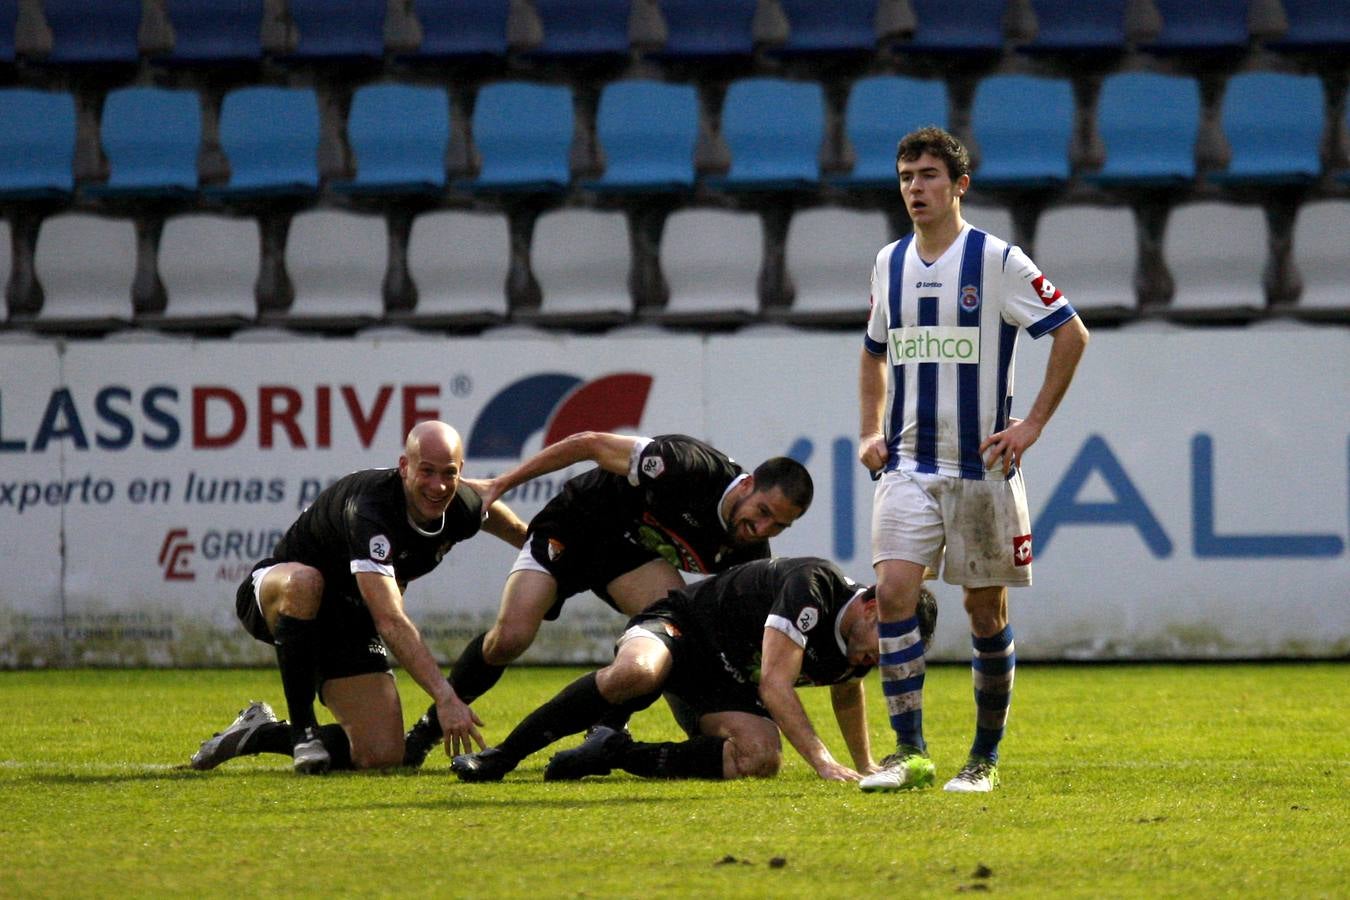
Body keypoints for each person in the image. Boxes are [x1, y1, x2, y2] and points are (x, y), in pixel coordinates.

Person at [856, 126, 1090, 794]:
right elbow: (874, 353)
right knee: (894, 591)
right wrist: (870, 428)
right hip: (907, 466)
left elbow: (1071, 333)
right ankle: (910, 753)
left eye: (928, 175)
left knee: (985, 615)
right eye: (905, 177)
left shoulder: (997, 261)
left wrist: (1033, 423)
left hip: (982, 470)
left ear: (959, 185)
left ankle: (983, 759)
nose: (915, 189)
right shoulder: (888, 263)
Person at [402, 431, 815, 766]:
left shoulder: (749, 553)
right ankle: (425, 731)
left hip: (627, 558)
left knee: (680, 629)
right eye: (761, 511)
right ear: (746, 485)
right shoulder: (686, 466)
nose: (761, 528)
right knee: (509, 639)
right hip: (574, 526)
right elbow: (587, 444)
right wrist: (501, 484)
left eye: (778, 525)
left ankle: (604, 733)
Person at [188, 421, 528, 774]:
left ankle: (259, 733)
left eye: (449, 474)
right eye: (426, 471)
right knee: (307, 581)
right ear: (404, 467)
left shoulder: (460, 504)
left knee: (381, 755)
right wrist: (444, 697)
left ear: (461, 474)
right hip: (278, 596)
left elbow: (497, 518)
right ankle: (302, 730)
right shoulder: (371, 510)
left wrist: (537, 551)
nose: (437, 485)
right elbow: (390, 619)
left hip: (348, 623)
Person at [447, 556, 937, 783]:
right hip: (683, 627)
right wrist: (825, 762)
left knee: (761, 758)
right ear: (872, 608)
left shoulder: (859, 648)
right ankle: (504, 756)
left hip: (722, 682)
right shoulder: (814, 586)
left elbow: (847, 693)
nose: (885, 657)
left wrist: (867, 765)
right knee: (636, 673)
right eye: (889, 643)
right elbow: (774, 685)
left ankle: (613, 751)